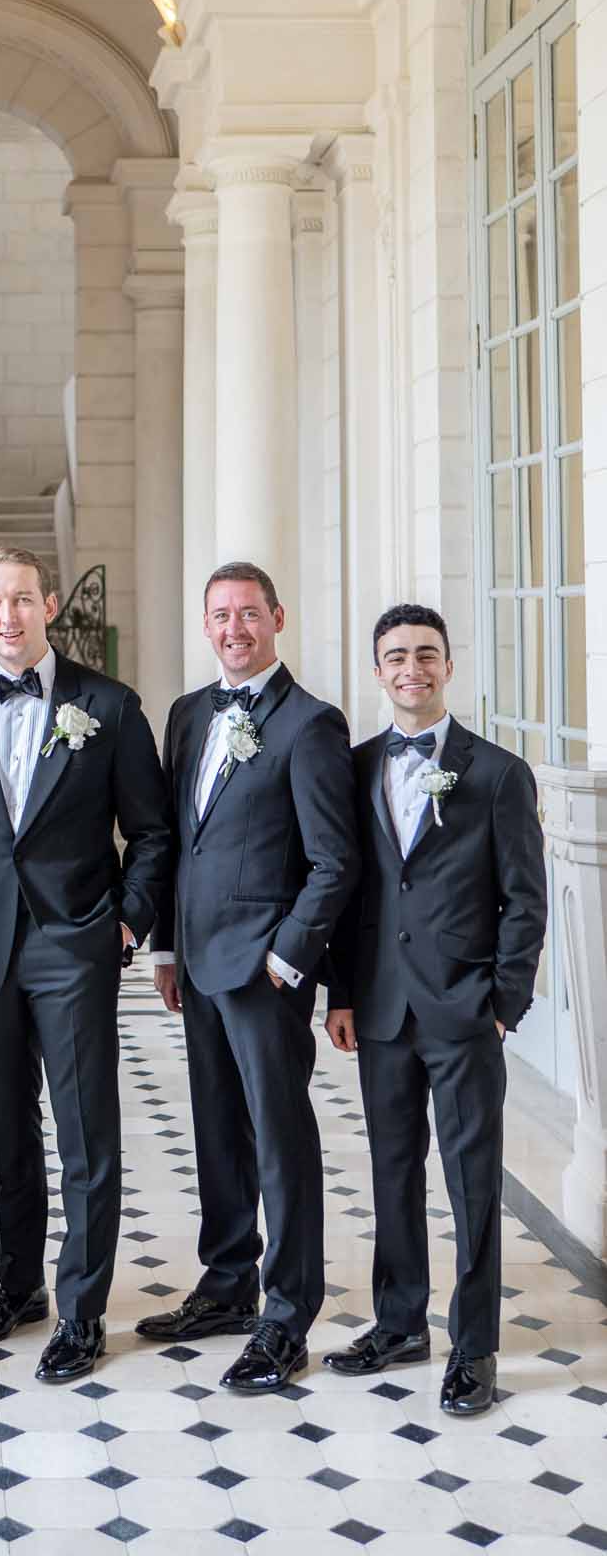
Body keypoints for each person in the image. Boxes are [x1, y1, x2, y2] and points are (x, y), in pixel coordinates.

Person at [0, 546, 175, 1382]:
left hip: (74, 945)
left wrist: (126, 924)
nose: (6, 616)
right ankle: (19, 1286)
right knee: (5, 1130)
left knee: (84, 1132)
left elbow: (152, 832)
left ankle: (84, 1309)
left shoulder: (109, 703)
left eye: (21, 600)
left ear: (49, 606)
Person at [323, 603, 547, 1417]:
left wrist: (501, 1002)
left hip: (463, 1010)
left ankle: (475, 1345)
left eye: (425, 655)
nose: (410, 669)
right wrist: (341, 990)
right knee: (389, 1173)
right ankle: (397, 1322)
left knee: (470, 1179)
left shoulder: (495, 772)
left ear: (448, 666)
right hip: (379, 1008)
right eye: (394, 657)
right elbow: (345, 894)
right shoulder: (350, 769)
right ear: (377, 670)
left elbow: (525, 900)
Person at [141, 561, 359, 1393]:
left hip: (265, 970)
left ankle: (286, 1312)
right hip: (197, 963)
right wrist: (165, 948)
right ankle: (227, 1283)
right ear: (206, 627)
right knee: (215, 1130)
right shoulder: (188, 715)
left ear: (277, 617)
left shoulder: (310, 724)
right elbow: (177, 840)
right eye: (220, 616)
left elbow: (333, 862)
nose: (234, 629)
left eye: (248, 614)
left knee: (279, 1138)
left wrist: (286, 956)